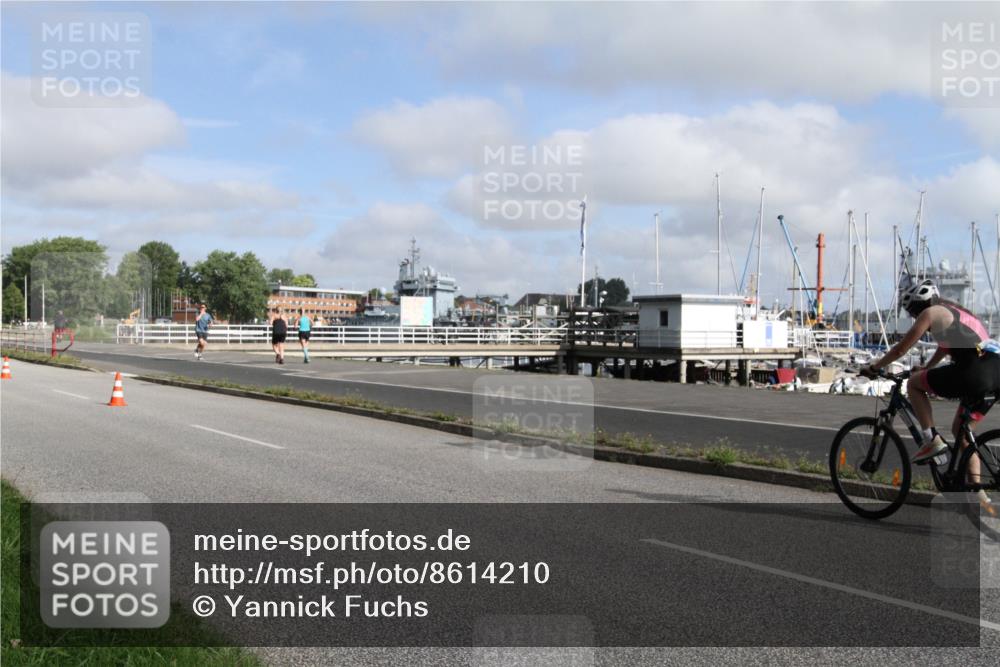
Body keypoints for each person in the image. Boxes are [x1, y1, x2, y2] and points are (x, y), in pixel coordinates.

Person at [861, 279, 999, 507]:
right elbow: (946, 346)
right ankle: (978, 494)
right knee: (963, 434)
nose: (915, 318)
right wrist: (928, 368)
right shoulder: (955, 312)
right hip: (996, 372)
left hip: (975, 371)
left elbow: (901, 349)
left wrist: (875, 367)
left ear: (918, 306)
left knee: (914, 384)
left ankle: (931, 439)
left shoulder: (931, 313)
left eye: (913, 312)